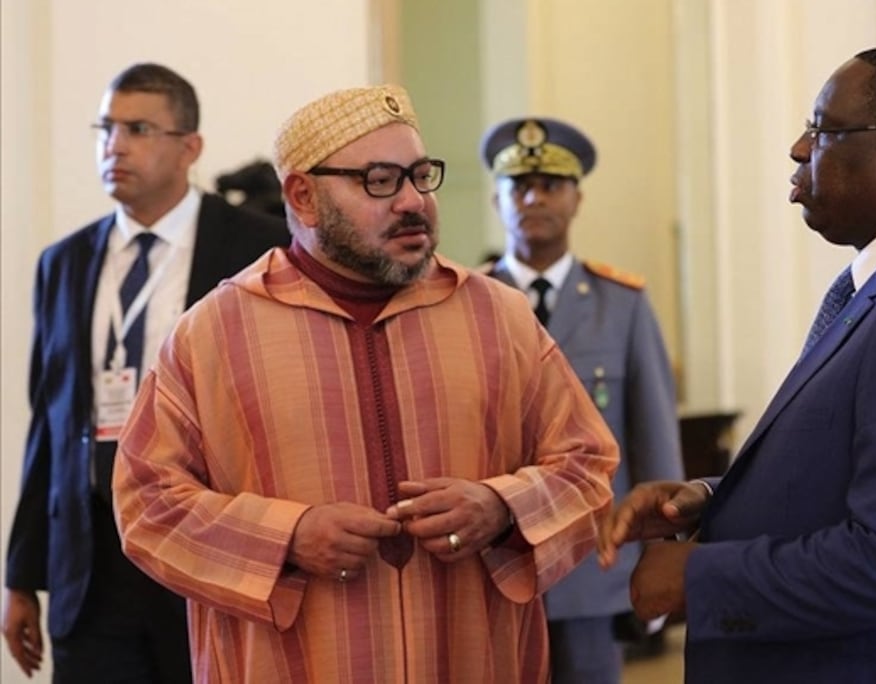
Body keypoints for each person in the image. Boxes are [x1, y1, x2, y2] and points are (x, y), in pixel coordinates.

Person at [112, 84, 618, 683]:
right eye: (379, 180)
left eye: (420, 175)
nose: (413, 202)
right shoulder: (215, 334)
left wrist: (502, 508)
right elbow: (146, 502)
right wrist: (287, 538)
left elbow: (587, 467)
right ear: (302, 196)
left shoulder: (498, 317)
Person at [599, 46, 876, 683]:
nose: (797, 148)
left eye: (822, 129)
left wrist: (698, 577)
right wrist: (710, 501)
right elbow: (863, 481)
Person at [2, 63, 288, 681]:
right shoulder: (64, 262)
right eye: (105, 128)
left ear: (190, 147)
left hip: (204, 544)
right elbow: (47, 426)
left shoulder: (257, 249)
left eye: (137, 128)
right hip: (91, 559)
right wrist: (22, 575)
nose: (115, 145)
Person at [480, 117, 684, 683]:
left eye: (550, 185)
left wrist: (660, 558)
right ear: (497, 201)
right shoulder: (469, 304)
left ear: (577, 199)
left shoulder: (622, 304)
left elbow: (655, 448)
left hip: (591, 568)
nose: (533, 198)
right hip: (491, 567)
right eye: (518, 186)